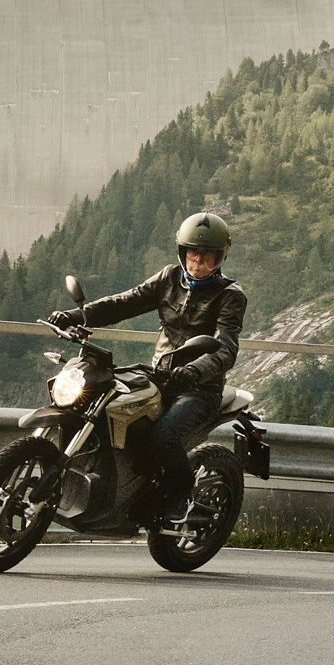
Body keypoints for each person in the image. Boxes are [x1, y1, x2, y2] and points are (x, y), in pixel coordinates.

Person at [73, 212, 247, 500]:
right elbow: (124, 303)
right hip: (158, 377)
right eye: (194, 252)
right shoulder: (169, 278)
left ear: (220, 257)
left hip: (199, 389)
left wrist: (194, 370)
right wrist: (77, 316)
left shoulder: (230, 295)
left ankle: (179, 498)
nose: (199, 260)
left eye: (208, 254)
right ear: (183, 252)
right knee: (105, 409)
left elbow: (226, 348)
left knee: (162, 438)